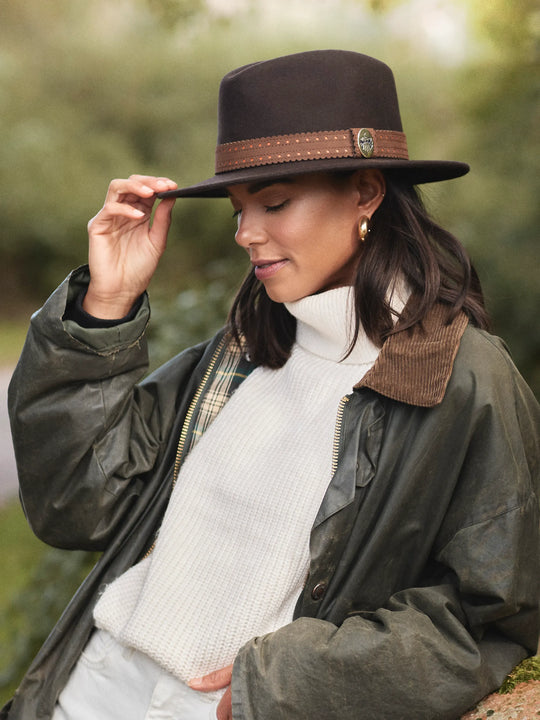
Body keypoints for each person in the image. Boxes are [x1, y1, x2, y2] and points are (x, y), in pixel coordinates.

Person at [4, 49, 539, 720]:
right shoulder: (242, 354)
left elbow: (488, 617)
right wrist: (103, 308)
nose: (245, 233)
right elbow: (77, 507)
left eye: (275, 203)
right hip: (89, 692)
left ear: (367, 191)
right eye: (237, 208)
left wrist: (287, 683)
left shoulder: (462, 378)